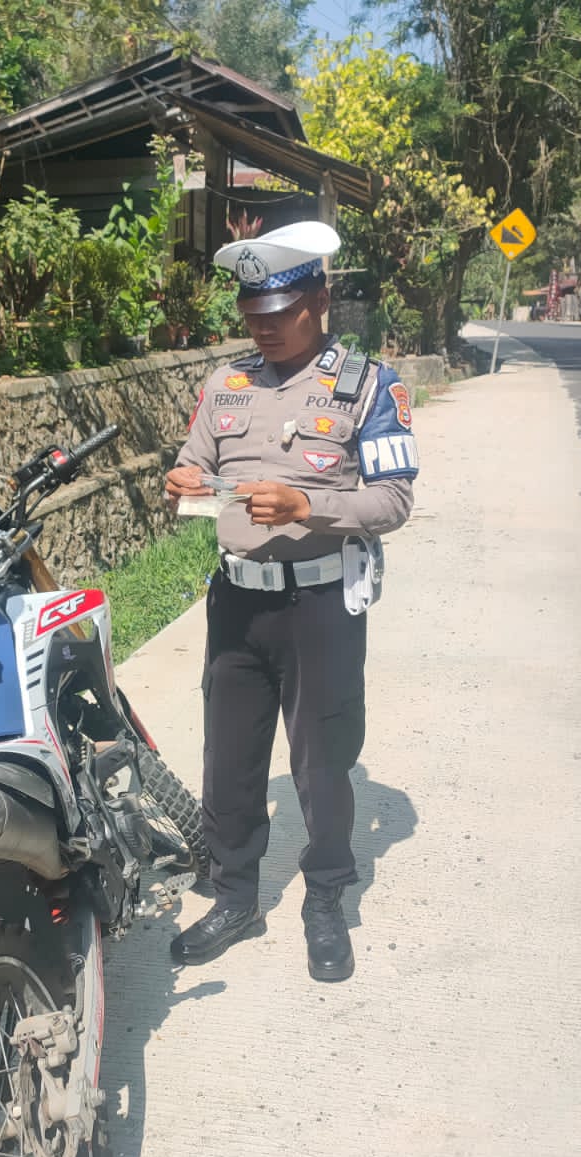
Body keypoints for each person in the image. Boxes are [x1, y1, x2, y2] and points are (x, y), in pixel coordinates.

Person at [164, 221, 419, 982]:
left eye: (279, 314)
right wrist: (180, 483)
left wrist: (308, 506)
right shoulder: (226, 384)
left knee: (322, 763)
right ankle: (235, 894)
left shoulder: (371, 385)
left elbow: (394, 500)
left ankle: (326, 899)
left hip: (320, 607)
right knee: (230, 763)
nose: (264, 329)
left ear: (321, 299)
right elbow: (191, 464)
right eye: (252, 316)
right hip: (237, 601)